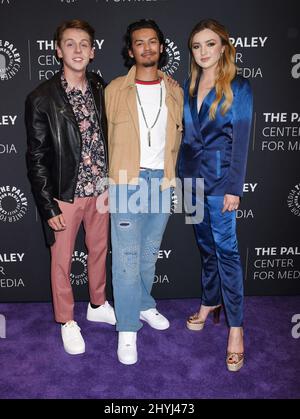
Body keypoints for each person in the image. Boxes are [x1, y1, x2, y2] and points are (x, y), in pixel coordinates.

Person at [25, 19, 116, 356]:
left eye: (83, 44)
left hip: (101, 191)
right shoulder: (41, 98)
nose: (77, 50)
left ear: (92, 52)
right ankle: (66, 320)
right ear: (58, 49)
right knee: (61, 261)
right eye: (70, 43)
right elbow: (35, 157)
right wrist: (48, 206)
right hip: (65, 195)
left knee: (99, 251)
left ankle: (97, 303)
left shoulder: (98, 85)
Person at [105, 19, 183, 365]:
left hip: (162, 183)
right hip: (126, 183)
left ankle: (144, 304)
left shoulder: (176, 91)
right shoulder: (113, 91)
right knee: (125, 259)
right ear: (130, 50)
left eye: (153, 42)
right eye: (139, 43)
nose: (147, 48)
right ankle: (126, 328)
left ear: (161, 47)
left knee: (149, 253)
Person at [178, 19, 253, 372]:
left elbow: (241, 143)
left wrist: (234, 189)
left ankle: (236, 329)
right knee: (206, 247)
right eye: (197, 46)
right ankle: (210, 302)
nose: (203, 51)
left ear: (223, 46)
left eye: (210, 44)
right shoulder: (189, 86)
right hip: (191, 183)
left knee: (227, 253)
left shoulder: (239, 87)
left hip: (221, 184)